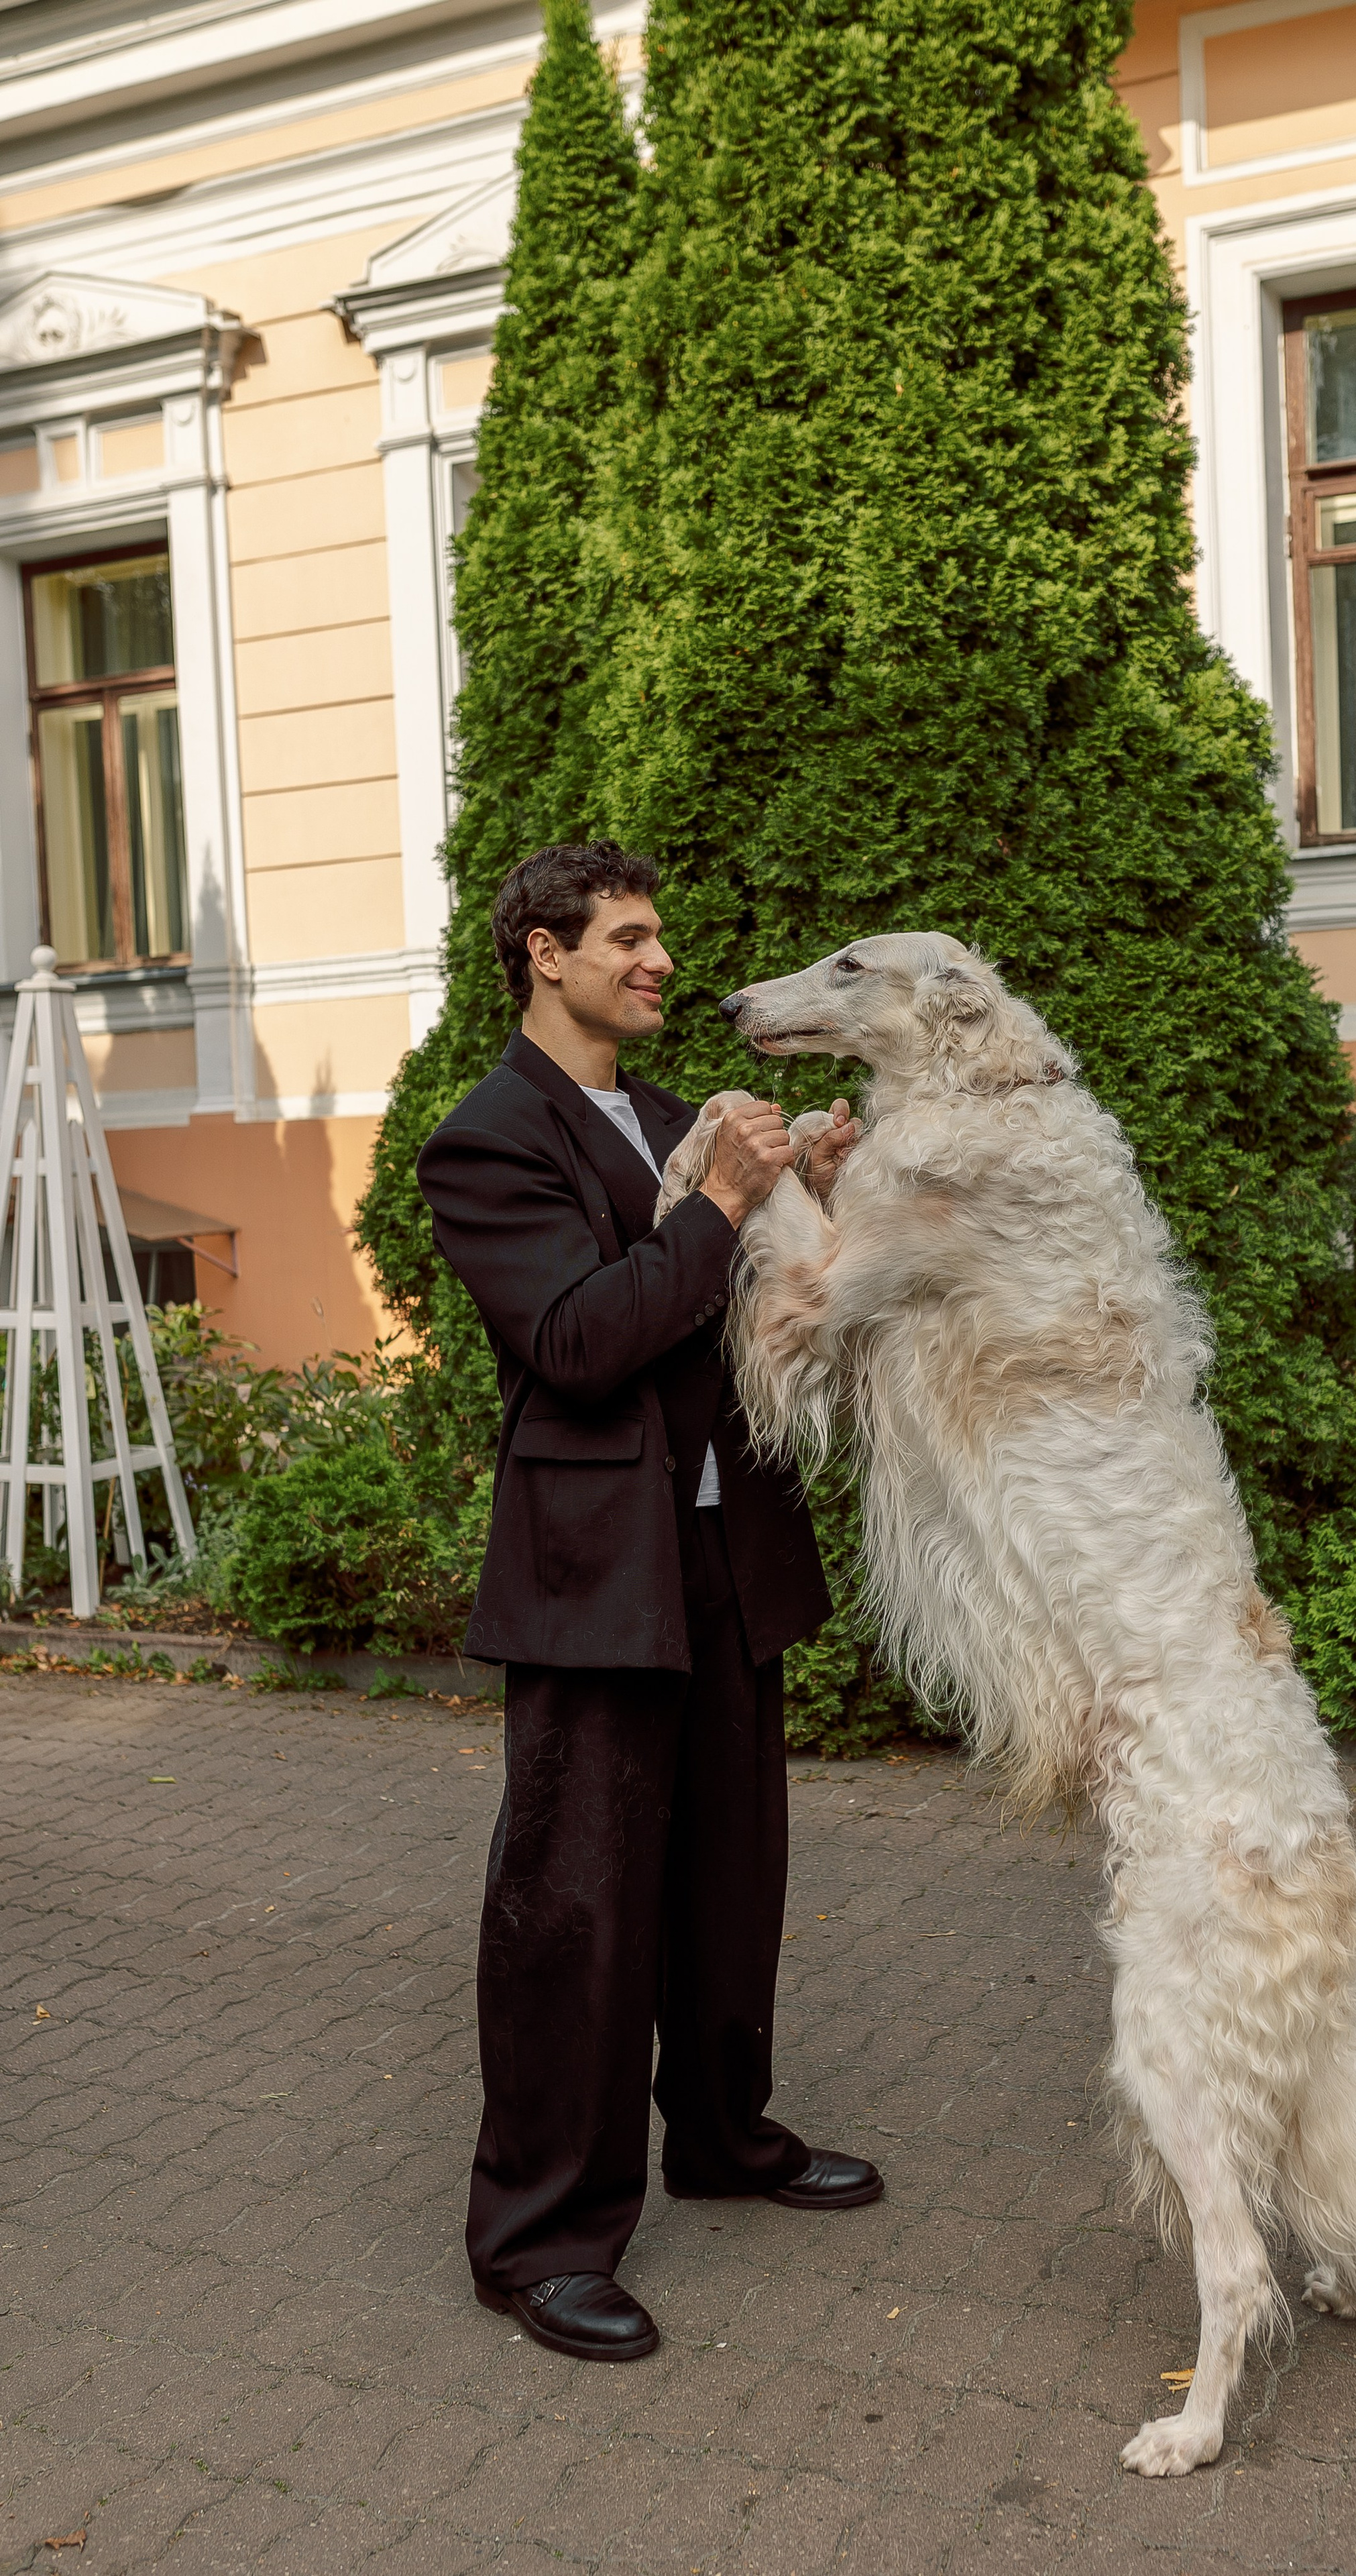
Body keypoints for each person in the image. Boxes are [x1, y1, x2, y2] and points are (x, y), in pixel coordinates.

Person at [416, 839, 880, 2365]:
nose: (660, 960)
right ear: (543, 955)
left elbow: (757, 1305)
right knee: (578, 1909)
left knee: (731, 1880)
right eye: (626, 936)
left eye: (659, 936)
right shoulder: (490, 1140)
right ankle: (538, 2239)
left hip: (722, 1555)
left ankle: (724, 2140)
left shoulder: (686, 1121)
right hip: (592, 1577)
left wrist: (810, 1194)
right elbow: (572, 1340)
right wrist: (718, 1211)